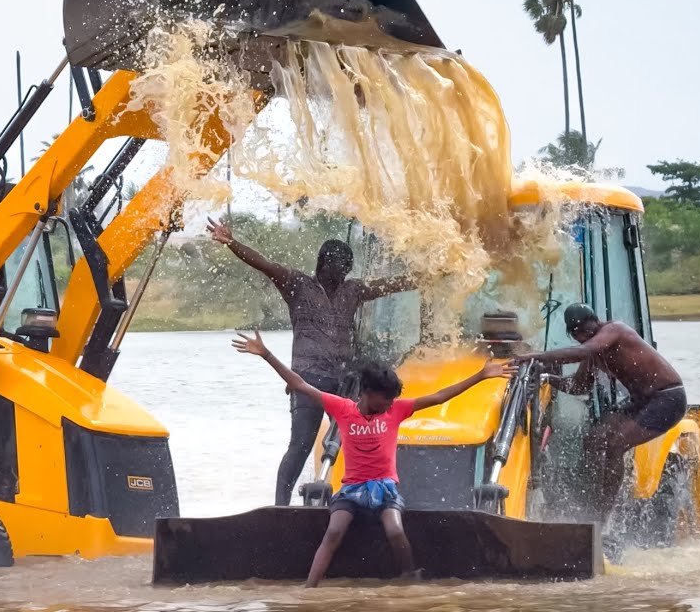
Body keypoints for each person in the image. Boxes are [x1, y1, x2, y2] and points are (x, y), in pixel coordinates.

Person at [232, 330, 509, 585]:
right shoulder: (342, 409)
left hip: (385, 489)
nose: (389, 405)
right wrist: (267, 354)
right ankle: (310, 587)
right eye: (384, 400)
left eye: (391, 400)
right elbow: (301, 385)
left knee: (396, 531)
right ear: (367, 393)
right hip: (351, 490)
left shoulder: (396, 411)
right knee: (333, 532)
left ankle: (409, 576)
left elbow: (439, 397)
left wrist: (481, 375)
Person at [206, 219, 415, 505]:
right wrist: (232, 243)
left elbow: (388, 286)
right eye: (338, 268)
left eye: (346, 269)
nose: (343, 275)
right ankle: (281, 506)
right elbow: (264, 265)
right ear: (322, 265)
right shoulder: (297, 285)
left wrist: (423, 278)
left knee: (360, 438)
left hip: (344, 383)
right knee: (301, 445)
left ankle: (367, 497)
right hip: (307, 382)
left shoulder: (352, 291)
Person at [512, 303, 687, 526]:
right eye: (577, 333)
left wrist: (537, 357)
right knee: (594, 440)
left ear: (596, 323)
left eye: (586, 329)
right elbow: (579, 386)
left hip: (666, 398)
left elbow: (581, 352)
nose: (583, 335)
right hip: (641, 401)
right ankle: (592, 502)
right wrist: (548, 378)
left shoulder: (614, 331)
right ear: (573, 334)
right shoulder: (592, 351)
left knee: (615, 444)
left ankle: (604, 518)